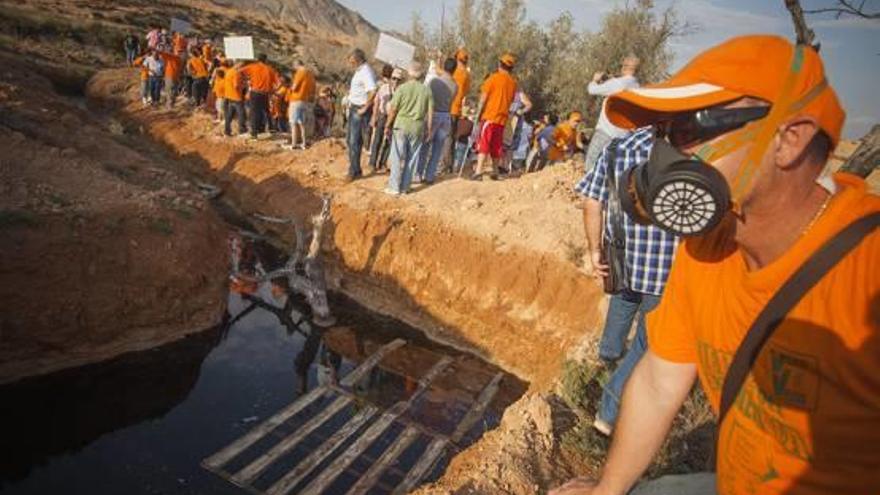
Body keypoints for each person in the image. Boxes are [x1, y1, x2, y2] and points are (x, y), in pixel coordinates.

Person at [550, 35, 879, 495]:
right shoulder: (707, 248)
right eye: (662, 135)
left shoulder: (866, 277)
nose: (662, 158)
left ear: (789, 138)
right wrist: (607, 490)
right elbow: (661, 381)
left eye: (688, 131)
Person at [575, 127, 679, 437]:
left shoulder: (620, 147)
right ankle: (608, 413)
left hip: (623, 259)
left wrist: (595, 251)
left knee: (621, 306)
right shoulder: (695, 155)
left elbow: (592, 201)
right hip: (665, 271)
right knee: (646, 344)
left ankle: (606, 362)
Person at [583, 55, 640, 173]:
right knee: (609, 170)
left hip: (606, 131)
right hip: (623, 135)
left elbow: (591, 90)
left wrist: (595, 80)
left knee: (590, 165)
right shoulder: (637, 86)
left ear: (624, 67)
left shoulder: (617, 83)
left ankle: (587, 189)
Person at [383, 62, 432, 196]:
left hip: (401, 125)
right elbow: (430, 112)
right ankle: (405, 187)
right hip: (417, 127)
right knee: (412, 158)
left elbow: (393, 110)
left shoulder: (402, 89)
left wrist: (387, 125)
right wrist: (429, 129)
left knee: (397, 156)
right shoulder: (426, 90)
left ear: (409, 73)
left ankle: (394, 187)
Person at [474, 53, 522, 181]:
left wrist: (478, 115)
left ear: (499, 64)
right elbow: (511, 100)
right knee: (496, 146)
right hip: (502, 120)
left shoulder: (493, 78)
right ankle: (495, 171)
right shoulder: (513, 83)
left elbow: (483, 98)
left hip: (490, 116)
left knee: (484, 143)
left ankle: (478, 171)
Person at [416, 56, 458, 184]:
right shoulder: (455, 86)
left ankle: (418, 174)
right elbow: (452, 101)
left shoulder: (434, 82)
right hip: (446, 117)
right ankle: (430, 176)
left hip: (433, 114)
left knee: (425, 146)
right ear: (454, 69)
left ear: (444, 66)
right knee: (437, 149)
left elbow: (427, 98)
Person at [345, 48, 378, 181]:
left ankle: (354, 171)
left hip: (359, 109)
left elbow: (373, 90)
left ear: (358, 60)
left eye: (352, 61)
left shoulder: (366, 72)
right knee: (352, 140)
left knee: (354, 141)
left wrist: (365, 107)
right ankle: (356, 168)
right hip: (354, 107)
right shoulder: (360, 71)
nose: (350, 64)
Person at [240, 54, 280, 139]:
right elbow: (278, 83)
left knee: (254, 113)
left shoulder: (252, 67)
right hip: (265, 94)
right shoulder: (270, 69)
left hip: (255, 93)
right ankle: (270, 128)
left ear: (258, 59)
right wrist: (273, 91)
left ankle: (254, 133)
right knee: (266, 111)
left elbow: (240, 72)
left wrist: (246, 81)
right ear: (266, 60)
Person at [369, 65, 397, 171]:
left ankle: (383, 162)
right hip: (383, 115)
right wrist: (374, 116)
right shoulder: (383, 88)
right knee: (378, 139)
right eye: (394, 78)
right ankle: (372, 163)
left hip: (393, 117)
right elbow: (377, 102)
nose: (395, 81)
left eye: (398, 79)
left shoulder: (399, 90)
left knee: (389, 141)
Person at [285, 60, 316, 150]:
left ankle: (294, 144)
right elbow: (313, 89)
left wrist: (289, 87)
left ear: (296, 65)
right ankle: (304, 143)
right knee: (302, 123)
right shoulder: (310, 74)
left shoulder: (300, 72)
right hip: (305, 100)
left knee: (293, 122)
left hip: (296, 99)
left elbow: (294, 87)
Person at [449, 48, 471, 170]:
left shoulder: (454, 71)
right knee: (452, 139)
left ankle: (445, 166)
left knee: (447, 139)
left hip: (448, 107)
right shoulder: (467, 75)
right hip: (457, 109)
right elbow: (466, 92)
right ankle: (451, 165)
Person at [223, 60, 247, 137]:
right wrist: (244, 86)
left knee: (229, 114)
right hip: (236, 96)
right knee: (241, 114)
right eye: (241, 66)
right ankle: (242, 130)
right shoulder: (236, 73)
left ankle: (227, 131)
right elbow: (236, 85)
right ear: (237, 64)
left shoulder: (229, 71)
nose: (242, 68)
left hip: (229, 96)